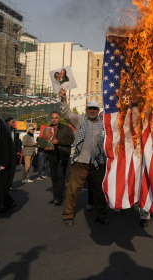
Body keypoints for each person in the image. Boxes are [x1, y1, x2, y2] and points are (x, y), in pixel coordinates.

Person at [59, 89, 109, 226]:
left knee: (100, 191)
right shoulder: (80, 120)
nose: (92, 111)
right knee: (73, 190)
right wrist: (63, 99)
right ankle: (68, 215)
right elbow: (67, 114)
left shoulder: (104, 125)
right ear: (86, 109)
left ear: (97, 110)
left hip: (98, 163)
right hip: (80, 162)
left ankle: (102, 215)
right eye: (90, 108)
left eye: (94, 108)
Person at [46, 110, 74, 206]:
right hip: (51, 155)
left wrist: (59, 141)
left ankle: (59, 198)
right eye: (52, 118)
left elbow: (71, 140)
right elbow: (43, 140)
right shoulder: (47, 128)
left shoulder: (66, 128)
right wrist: (43, 146)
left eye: (56, 118)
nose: (54, 120)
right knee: (54, 177)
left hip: (62, 155)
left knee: (60, 177)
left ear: (59, 118)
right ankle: (55, 196)